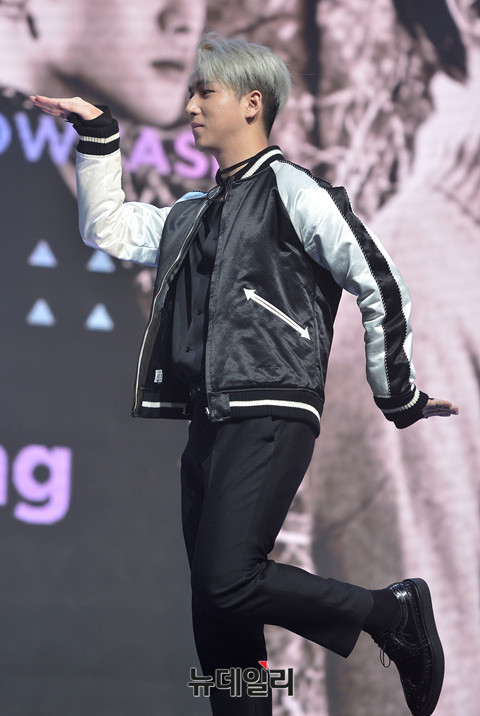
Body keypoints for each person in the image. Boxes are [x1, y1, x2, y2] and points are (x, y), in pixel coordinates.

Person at [31, 32, 458, 716]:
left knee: (226, 581)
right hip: (210, 420)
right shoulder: (194, 214)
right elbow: (106, 228)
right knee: (218, 619)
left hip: (271, 408)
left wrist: (397, 394)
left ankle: (390, 613)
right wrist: (101, 137)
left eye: (206, 92)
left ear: (252, 103)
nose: (191, 106)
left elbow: (379, 280)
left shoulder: (294, 190)